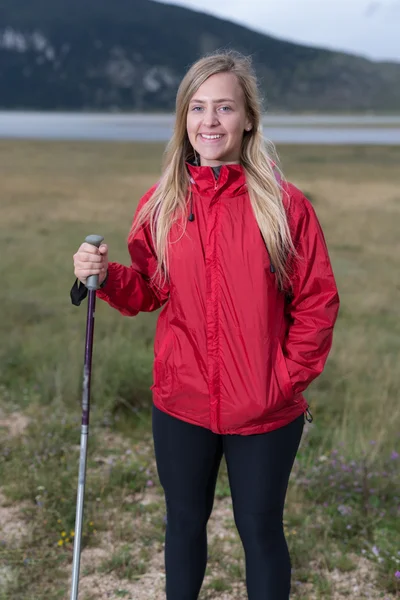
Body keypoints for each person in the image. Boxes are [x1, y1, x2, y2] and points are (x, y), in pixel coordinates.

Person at [72, 50, 339, 600]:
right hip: (182, 402)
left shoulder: (284, 208)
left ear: (248, 120)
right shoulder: (161, 205)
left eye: (224, 107)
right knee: (183, 526)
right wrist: (103, 275)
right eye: (197, 108)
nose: (210, 121)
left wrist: (282, 381)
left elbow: (317, 303)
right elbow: (151, 287)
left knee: (261, 531)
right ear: (184, 119)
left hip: (265, 410)